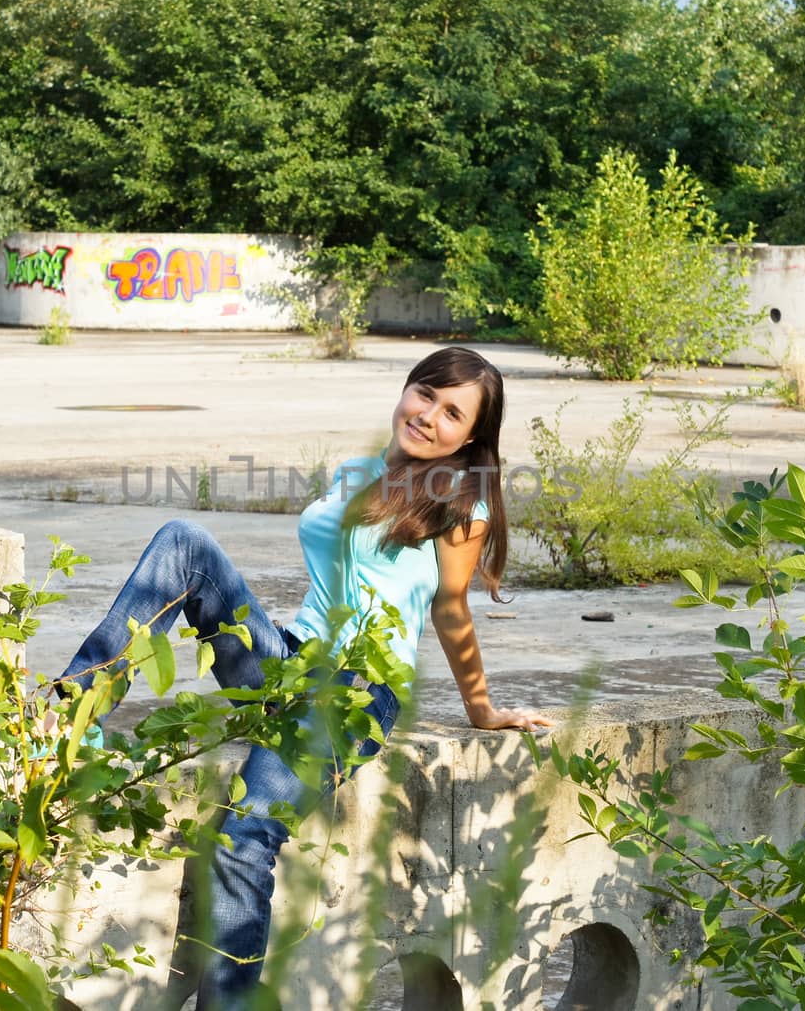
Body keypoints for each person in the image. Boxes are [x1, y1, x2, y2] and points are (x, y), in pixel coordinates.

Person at [56, 346, 552, 1009]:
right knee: (183, 544)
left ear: (470, 438)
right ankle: (65, 709)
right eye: (425, 392)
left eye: (452, 410)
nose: (430, 414)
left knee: (245, 833)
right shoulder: (358, 472)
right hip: (288, 658)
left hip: (354, 692)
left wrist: (483, 707)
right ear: (405, 390)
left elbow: (450, 608)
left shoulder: (460, 507)